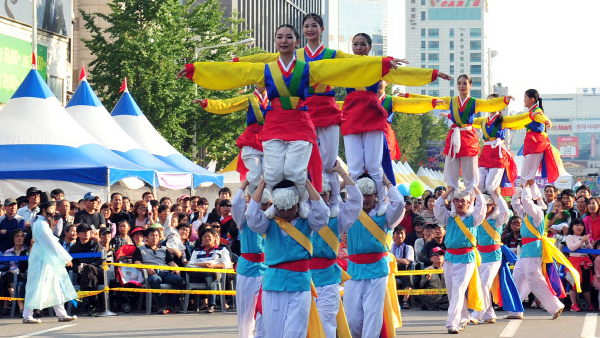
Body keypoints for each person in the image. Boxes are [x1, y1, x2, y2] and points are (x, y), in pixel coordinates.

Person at [180, 24, 417, 202]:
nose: (284, 40)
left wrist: (381, 64)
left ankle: (313, 202)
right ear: (275, 42)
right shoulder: (267, 70)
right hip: (274, 125)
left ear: (297, 43)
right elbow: (238, 72)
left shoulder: (308, 69)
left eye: (289, 37)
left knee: (298, 169)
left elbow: (348, 66)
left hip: (302, 122)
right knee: (271, 174)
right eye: (279, 37)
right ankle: (278, 202)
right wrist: (196, 69)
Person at [245, 178, 329, 338]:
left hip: (300, 287)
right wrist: (263, 183)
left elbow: (322, 213)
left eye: (288, 208)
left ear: (297, 204)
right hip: (272, 287)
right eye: (280, 208)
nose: (284, 212)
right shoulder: (268, 222)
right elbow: (252, 216)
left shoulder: (307, 221)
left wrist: (306, 185)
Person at [341, 32, 448, 207]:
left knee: (374, 166)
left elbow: (406, 75)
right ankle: (353, 202)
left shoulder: (378, 66)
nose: (359, 48)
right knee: (354, 167)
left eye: (363, 45)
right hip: (352, 118)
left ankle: (383, 201)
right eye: (355, 45)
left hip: (373, 119)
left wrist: (433, 75)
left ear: (370, 48)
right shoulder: (344, 65)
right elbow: (324, 70)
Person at [306, 162, 361, 338]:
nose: (320, 197)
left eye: (325, 193)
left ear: (330, 194)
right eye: (316, 193)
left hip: (328, 278)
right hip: (304, 280)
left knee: (326, 324)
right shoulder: (301, 217)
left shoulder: (336, 218)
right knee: (306, 328)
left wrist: (341, 173)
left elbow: (356, 201)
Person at [344, 174, 404, 338]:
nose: (367, 198)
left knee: (373, 314)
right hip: (354, 269)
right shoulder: (349, 213)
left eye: (370, 193)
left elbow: (400, 203)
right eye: (362, 194)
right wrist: (346, 179)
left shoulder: (384, 214)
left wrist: (386, 182)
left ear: (375, 195)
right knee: (352, 318)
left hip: (377, 270)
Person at [434, 75, 511, 197]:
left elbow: (489, 104)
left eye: (465, 83)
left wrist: (504, 100)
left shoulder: (475, 102)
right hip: (454, 137)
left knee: (470, 176)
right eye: (459, 83)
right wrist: (409, 97)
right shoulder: (452, 101)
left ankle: (471, 202)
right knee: (450, 174)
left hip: (468, 139)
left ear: (470, 85)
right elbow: (431, 100)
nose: (461, 86)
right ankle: (454, 204)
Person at [198, 85, 270, 196]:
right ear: (255, 83)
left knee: (271, 174)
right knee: (255, 175)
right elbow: (229, 104)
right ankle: (252, 200)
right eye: (261, 82)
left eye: (267, 82)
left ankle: (268, 201)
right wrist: (207, 103)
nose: (264, 85)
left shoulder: (274, 99)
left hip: (269, 140)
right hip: (252, 140)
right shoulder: (249, 98)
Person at [507, 184, 565, 320]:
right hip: (524, 251)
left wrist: (526, 187)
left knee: (534, 280)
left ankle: (556, 306)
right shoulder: (527, 215)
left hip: (533, 250)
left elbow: (526, 202)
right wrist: (518, 192)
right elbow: (516, 204)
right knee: (518, 278)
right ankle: (516, 310)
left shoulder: (537, 213)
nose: (523, 201)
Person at [433, 184, 486, 333]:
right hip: (450, 257)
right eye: (456, 200)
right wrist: (450, 190)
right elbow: (437, 205)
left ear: (469, 202)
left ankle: (451, 323)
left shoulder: (473, 218)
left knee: (458, 289)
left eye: (463, 200)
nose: (460, 203)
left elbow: (481, 204)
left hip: (466, 257)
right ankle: (463, 317)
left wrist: (474, 187)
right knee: (452, 291)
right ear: (452, 202)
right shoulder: (448, 217)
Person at [21, 192, 78, 323]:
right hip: (41, 257)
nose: (54, 211)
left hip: (45, 256)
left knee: (55, 284)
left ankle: (62, 313)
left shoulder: (43, 223)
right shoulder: (40, 224)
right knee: (35, 285)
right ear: (44, 209)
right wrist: (65, 258)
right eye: (52, 208)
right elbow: (51, 243)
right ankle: (27, 315)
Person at [232, 182, 268, 338]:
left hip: (266, 267)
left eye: (266, 203)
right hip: (246, 267)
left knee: (263, 305)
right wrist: (246, 183)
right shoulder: (243, 219)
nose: (264, 206)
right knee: (246, 306)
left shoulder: (271, 219)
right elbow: (235, 204)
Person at [472, 100, 532, 193]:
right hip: (486, 152)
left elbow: (516, 118)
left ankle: (497, 206)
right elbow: (468, 120)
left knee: (490, 185)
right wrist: (450, 115)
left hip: (497, 153)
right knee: (479, 184)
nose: (491, 105)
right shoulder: (483, 120)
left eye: (494, 103)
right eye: (489, 103)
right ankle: (483, 205)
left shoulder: (503, 120)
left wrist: (530, 115)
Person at [472, 189, 510, 323]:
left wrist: (497, 195)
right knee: (483, 285)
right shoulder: (477, 219)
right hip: (480, 256)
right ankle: (489, 314)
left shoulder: (497, 219)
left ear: (492, 205)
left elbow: (506, 211)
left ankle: (478, 313)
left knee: (484, 284)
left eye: (488, 205)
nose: (485, 208)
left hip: (494, 256)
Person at [519, 89, 565, 200]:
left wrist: (547, 121)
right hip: (530, 144)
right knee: (525, 177)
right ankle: (535, 200)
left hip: (536, 144)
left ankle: (531, 199)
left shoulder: (537, 111)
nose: (524, 100)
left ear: (532, 99)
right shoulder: (530, 112)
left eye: (525, 97)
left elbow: (542, 117)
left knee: (528, 177)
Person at [136, 227, 185, 314]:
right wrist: (146, 268)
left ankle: (171, 304)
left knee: (180, 280)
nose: (154, 237)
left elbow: (171, 262)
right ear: (146, 238)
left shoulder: (163, 249)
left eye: (156, 236)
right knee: (154, 280)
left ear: (159, 238)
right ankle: (161, 305)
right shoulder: (140, 249)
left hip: (165, 272)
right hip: (152, 273)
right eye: (152, 235)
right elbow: (137, 263)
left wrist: (176, 268)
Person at [187, 227, 232, 312]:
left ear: (215, 238)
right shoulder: (196, 251)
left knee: (210, 278)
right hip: (199, 274)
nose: (207, 239)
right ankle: (211, 304)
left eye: (209, 236)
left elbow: (228, 264)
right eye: (204, 237)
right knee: (209, 275)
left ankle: (211, 305)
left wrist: (213, 266)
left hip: (215, 273)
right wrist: (202, 264)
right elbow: (190, 265)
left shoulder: (222, 250)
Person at [565, 218, 593, 311]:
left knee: (586, 283)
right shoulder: (570, 237)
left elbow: (590, 248)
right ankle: (574, 304)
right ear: (572, 227)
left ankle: (589, 304)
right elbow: (572, 248)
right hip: (574, 262)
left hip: (584, 262)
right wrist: (581, 241)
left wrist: (586, 241)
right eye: (577, 225)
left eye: (581, 225)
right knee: (574, 284)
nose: (579, 227)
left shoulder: (584, 237)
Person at [390, 225, 415, 309]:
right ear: (393, 235)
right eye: (397, 233)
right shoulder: (389, 247)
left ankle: (405, 301)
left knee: (408, 278)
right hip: (391, 270)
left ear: (405, 235)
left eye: (402, 233)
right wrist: (399, 260)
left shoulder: (408, 248)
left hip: (404, 270)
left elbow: (408, 261)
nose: (400, 236)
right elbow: (387, 259)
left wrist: (395, 260)